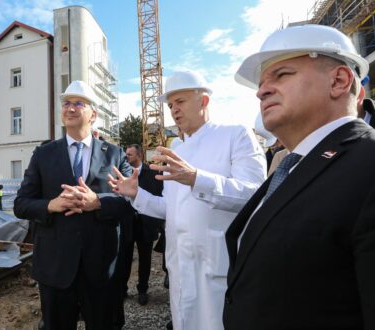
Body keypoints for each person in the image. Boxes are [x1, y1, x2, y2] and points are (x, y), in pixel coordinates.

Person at [225, 24, 375, 329]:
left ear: (339, 81)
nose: (261, 90)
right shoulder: (291, 167)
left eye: (282, 74)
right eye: (261, 83)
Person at [108, 70, 266, 330]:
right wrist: (137, 194)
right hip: (180, 267)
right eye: (170, 105)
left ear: (203, 101)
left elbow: (253, 196)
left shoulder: (235, 135)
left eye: (180, 102)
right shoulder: (177, 150)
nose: (174, 110)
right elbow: (172, 210)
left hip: (217, 268)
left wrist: (196, 178)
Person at [14, 80, 133, 330]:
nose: (70, 108)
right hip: (55, 268)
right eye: (66, 103)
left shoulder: (115, 154)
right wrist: (51, 205)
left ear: (94, 114)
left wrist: (98, 202)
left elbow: (130, 201)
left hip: (101, 267)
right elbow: (21, 204)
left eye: (79, 103)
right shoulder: (43, 154)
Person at [119, 144, 164, 306]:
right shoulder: (123, 173)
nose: (126, 157)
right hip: (127, 224)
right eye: (126, 155)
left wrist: (157, 223)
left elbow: (159, 196)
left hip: (146, 224)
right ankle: (123, 288)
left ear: (139, 155)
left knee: (145, 259)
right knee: (124, 258)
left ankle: (143, 290)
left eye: (129, 155)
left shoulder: (152, 173)